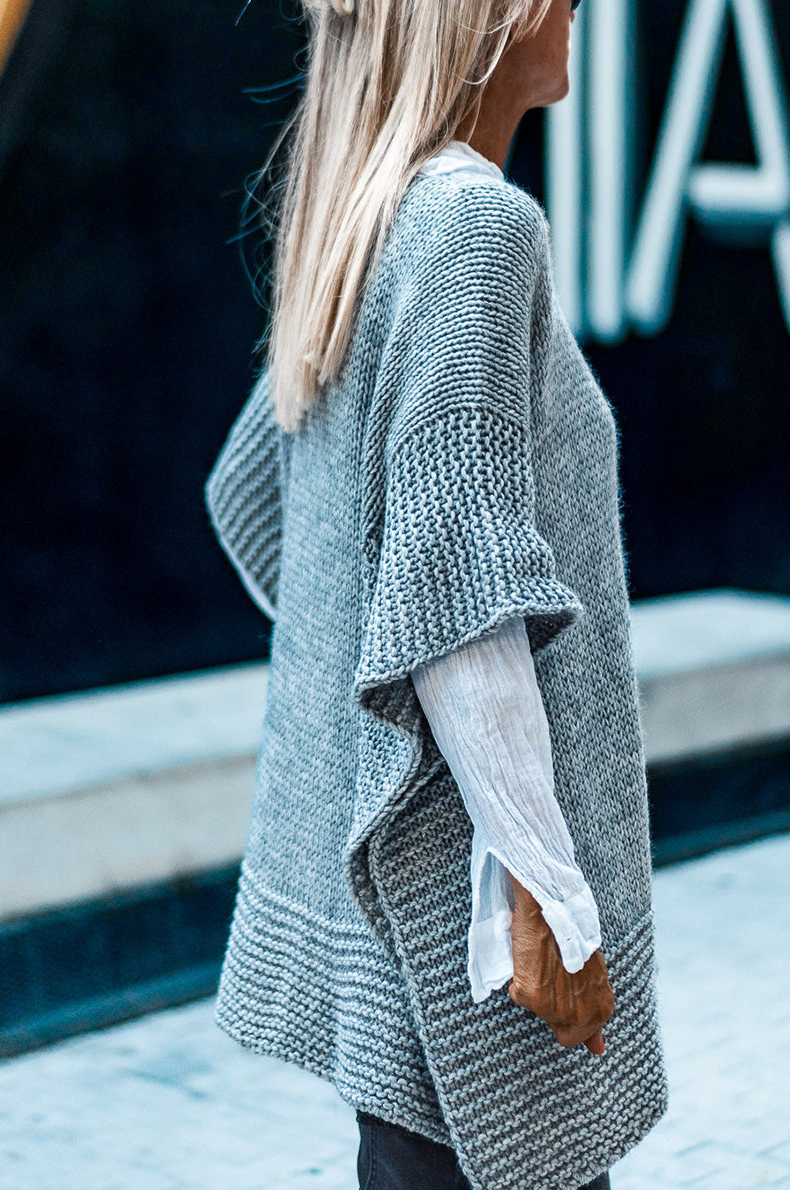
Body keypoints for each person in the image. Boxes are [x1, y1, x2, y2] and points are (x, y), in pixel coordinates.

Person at [204, 0, 669, 1186]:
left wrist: (376, 744)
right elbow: (455, 607)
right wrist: (547, 898)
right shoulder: (473, 229)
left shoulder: (367, 216)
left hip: (404, 942)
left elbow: (275, 505)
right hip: (469, 944)